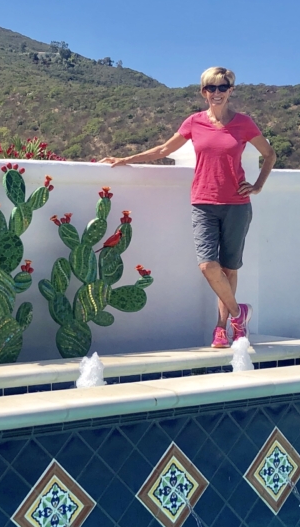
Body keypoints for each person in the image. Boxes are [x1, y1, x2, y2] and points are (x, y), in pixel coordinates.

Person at [100, 66, 276, 348]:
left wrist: (258, 185)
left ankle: (223, 330)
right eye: (210, 88)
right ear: (203, 92)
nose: (216, 93)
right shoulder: (194, 122)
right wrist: (126, 158)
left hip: (237, 205)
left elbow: (269, 154)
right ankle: (238, 313)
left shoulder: (244, 123)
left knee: (229, 269)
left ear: (231, 90)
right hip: (203, 203)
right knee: (208, 266)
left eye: (222, 87)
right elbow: (163, 150)